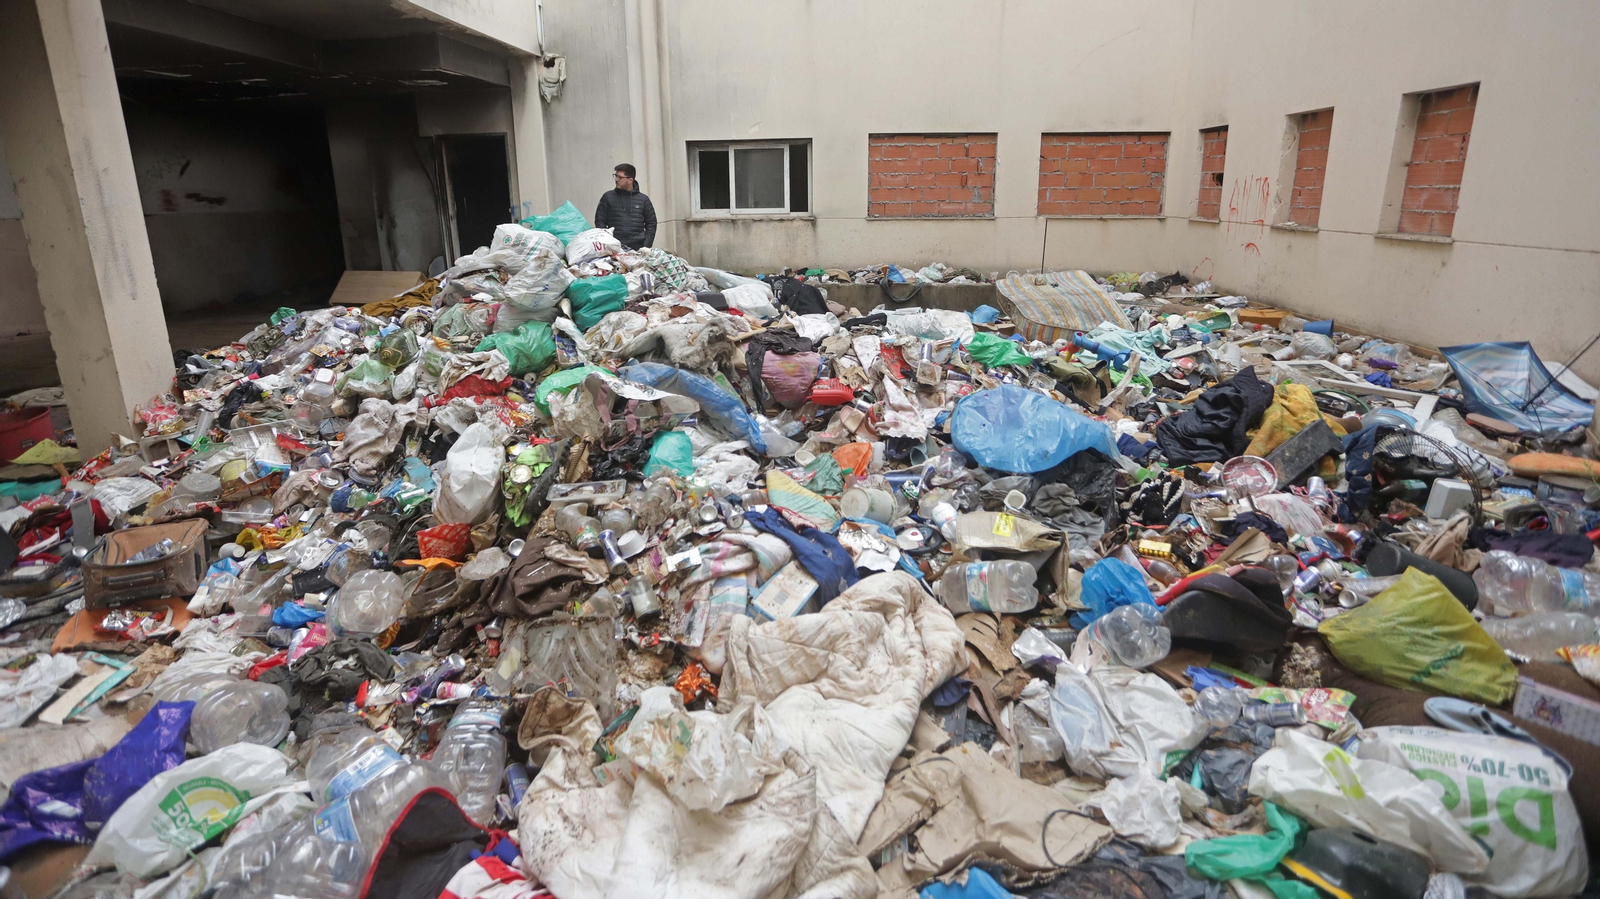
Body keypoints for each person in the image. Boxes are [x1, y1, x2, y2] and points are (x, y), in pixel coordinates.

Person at [594, 163, 657, 250]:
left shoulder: (643, 199)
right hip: (614, 248)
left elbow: (651, 224)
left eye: (620, 177)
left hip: (638, 248)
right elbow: (600, 221)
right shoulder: (608, 197)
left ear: (630, 180)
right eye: (616, 176)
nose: (616, 179)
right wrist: (608, 242)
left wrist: (646, 246)